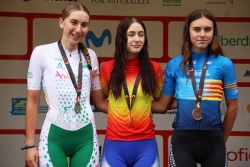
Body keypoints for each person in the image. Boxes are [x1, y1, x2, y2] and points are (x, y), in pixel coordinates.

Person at [24, 3, 107, 167]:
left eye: (84, 25)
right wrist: (29, 144)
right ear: (61, 22)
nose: (78, 29)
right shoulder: (41, 53)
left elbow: (99, 101)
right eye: (73, 22)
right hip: (54, 138)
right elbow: (32, 101)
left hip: (86, 139)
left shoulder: (91, 55)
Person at [152, 9, 238, 167]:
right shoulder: (175, 64)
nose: (202, 34)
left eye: (207, 29)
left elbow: (232, 108)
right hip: (182, 142)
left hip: (214, 141)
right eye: (197, 29)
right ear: (188, 32)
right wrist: (133, 103)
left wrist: (221, 140)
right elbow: (163, 105)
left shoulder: (225, 64)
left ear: (214, 33)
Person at [99, 17, 164, 167]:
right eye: (131, 34)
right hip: (114, 144)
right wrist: (119, 110)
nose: (137, 39)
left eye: (141, 34)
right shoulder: (108, 68)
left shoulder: (154, 68)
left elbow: (159, 101)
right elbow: (100, 100)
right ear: (122, 38)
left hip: (146, 144)